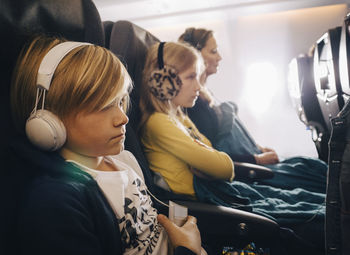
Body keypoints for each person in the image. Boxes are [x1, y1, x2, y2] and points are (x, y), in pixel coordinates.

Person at [9, 35, 206, 255]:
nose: (123, 118)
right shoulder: (55, 203)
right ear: (48, 122)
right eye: (104, 106)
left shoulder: (123, 160)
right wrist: (187, 249)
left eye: (120, 101)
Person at [139, 41, 326, 253]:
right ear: (163, 81)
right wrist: (212, 162)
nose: (198, 86)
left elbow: (213, 154)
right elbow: (223, 167)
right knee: (308, 215)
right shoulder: (159, 123)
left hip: (218, 191)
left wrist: (210, 161)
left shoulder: (178, 117)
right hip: (207, 200)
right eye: (191, 77)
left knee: (300, 198)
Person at [178, 27, 328, 194]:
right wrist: (256, 159)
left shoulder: (207, 95)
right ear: (196, 55)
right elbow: (213, 155)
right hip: (249, 170)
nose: (219, 57)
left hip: (254, 160)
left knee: (310, 165)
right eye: (213, 51)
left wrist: (259, 148)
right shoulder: (195, 105)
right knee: (315, 175)